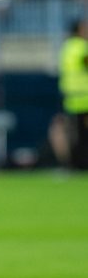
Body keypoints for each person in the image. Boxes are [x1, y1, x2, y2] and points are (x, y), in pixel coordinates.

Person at [59, 18, 88, 170]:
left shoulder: (67, 47)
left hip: (71, 98)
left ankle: (74, 164)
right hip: (84, 98)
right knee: (83, 136)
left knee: (75, 135)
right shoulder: (83, 47)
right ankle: (83, 164)